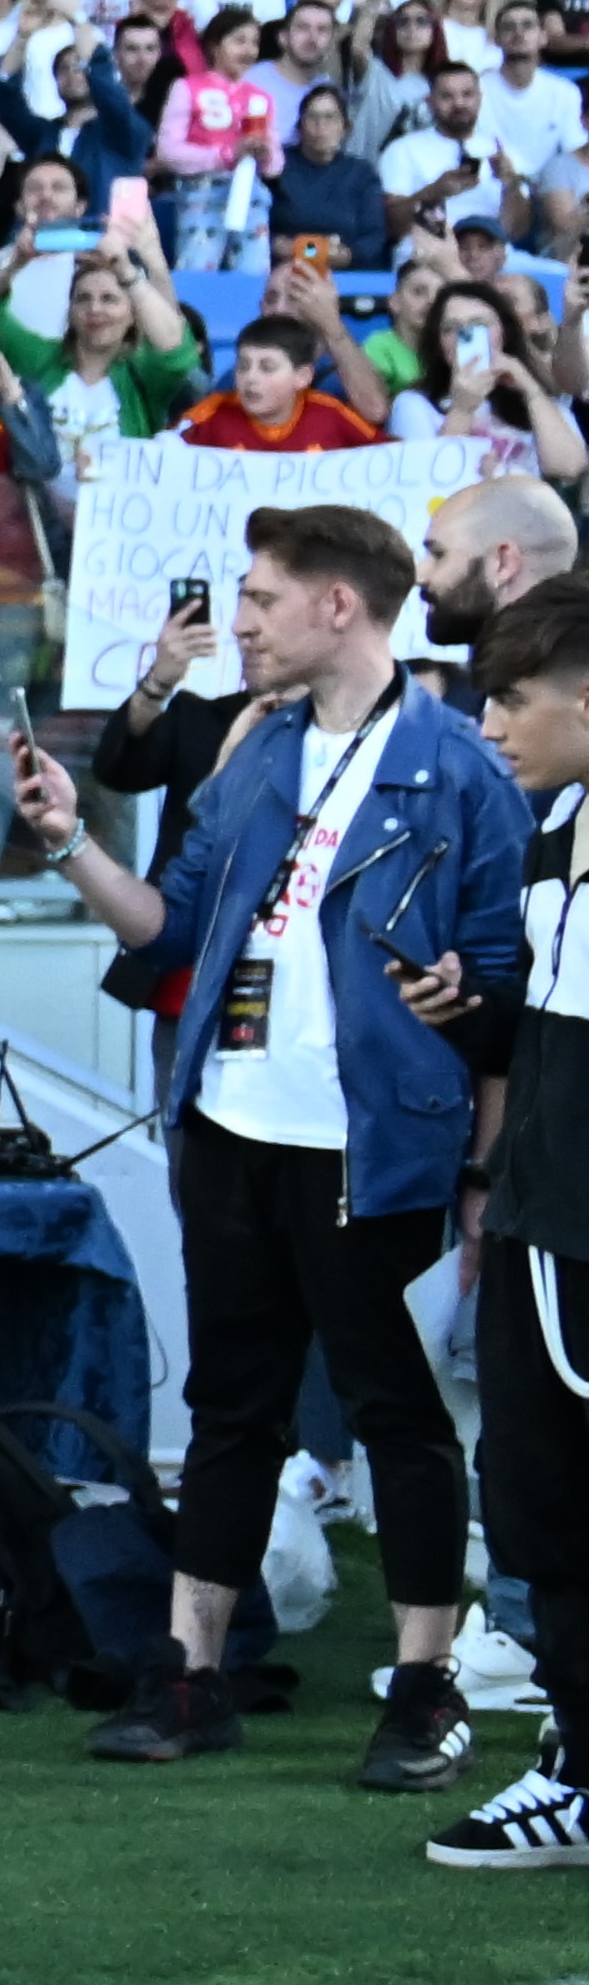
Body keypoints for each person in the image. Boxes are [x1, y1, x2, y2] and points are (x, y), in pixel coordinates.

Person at [17, 498, 520, 1785]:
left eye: (255, 598)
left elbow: (508, 990)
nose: (235, 620)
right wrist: (70, 838)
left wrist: (477, 1169)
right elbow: (170, 931)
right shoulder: (250, 757)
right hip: (232, 1128)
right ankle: (190, 1673)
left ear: (333, 604)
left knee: (395, 1415)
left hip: (377, 1149)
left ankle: (423, 1687)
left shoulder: (458, 768)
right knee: (228, 1408)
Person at [406, 568, 589, 1869]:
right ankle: (578, 1766)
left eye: (514, 697)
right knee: (532, 1513)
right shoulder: (548, 834)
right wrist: (470, 1018)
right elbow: (548, 1039)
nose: (492, 723)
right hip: (537, 1220)